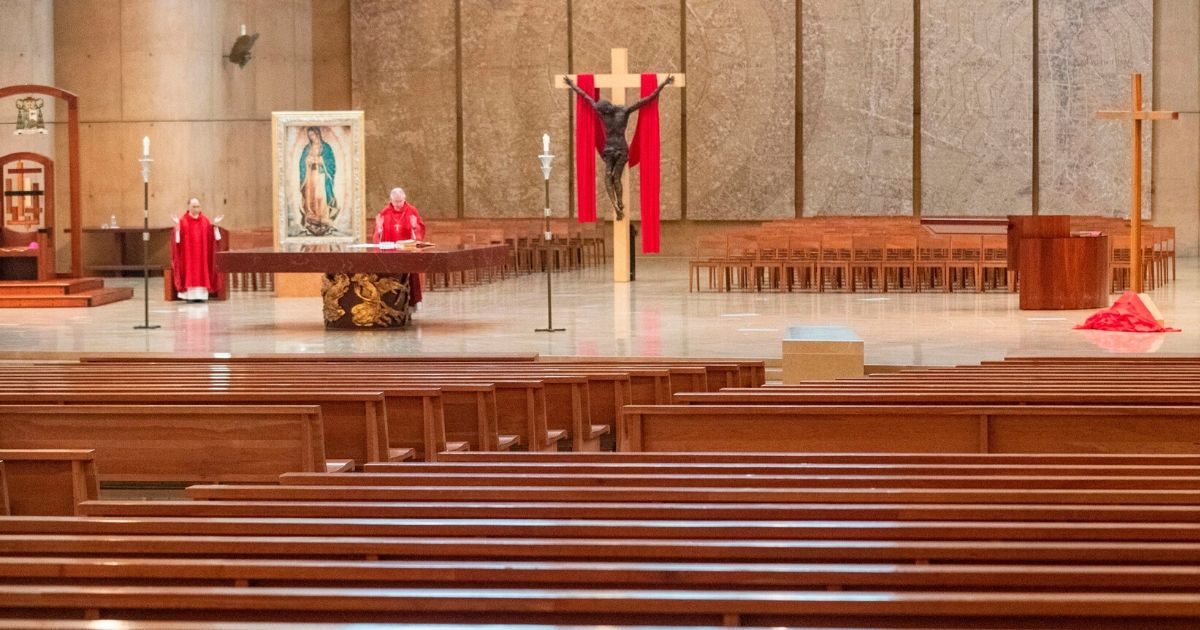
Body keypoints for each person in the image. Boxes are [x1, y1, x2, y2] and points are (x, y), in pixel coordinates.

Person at [563, 74, 674, 220]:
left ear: (608, 107)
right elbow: (586, 97)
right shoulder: (604, 112)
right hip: (610, 149)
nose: (604, 114)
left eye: (605, 111)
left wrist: (663, 84)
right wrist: (572, 85)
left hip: (620, 150)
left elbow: (647, 99)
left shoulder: (624, 111)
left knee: (615, 178)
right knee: (608, 177)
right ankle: (616, 205)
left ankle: (619, 203)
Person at [373, 187, 426, 305]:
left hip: (407, 252)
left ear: (404, 199)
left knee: (410, 275)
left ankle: (412, 303)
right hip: (390, 253)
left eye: (400, 201)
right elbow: (378, 234)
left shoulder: (412, 211)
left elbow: (420, 229)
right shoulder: (385, 212)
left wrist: (414, 227)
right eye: (395, 201)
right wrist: (380, 228)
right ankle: (390, 302)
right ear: (391, 200)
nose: (398, 204)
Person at [171, 197, 223, 302]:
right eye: (194, 206)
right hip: (188, 255)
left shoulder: (205, 220)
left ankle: (201, 296)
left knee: (202, 271)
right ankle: (189, 296)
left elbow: (212, 238)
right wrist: (177, 229)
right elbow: (177, 241)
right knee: (189, 271)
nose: (196, 208)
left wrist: (215, 226)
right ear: (189, 207)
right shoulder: (182, 221)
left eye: (198, 206)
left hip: (202, 254)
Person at [298, 126, 338, 236]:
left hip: (320, 175)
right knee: (311, 196)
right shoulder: (307, 148)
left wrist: (320, 160)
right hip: (310, 175)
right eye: (310, 136)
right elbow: (302, 162)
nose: (312, 137)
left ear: (318, 134)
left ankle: (323, 217)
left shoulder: (326, 148)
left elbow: (331, 162)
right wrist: (307, 161)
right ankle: (311, 216)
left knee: (320, 195)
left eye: (313, 135)